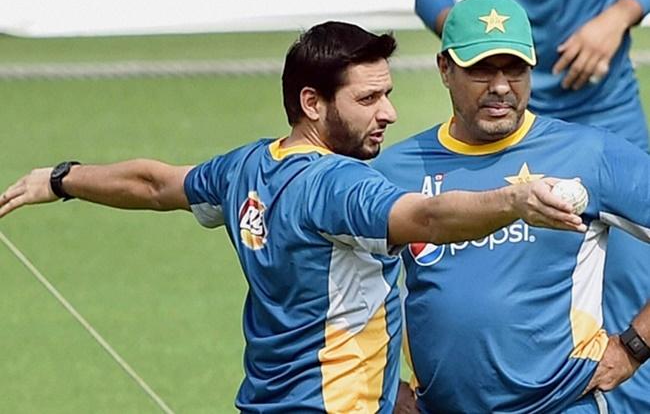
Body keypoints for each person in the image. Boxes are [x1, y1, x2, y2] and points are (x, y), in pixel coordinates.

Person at [0, 21, 585, 413]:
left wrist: (60, 179)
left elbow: (155, 184)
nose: (389, 113)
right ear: (313, 103)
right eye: (368, 99)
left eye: (386, 94)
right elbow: (428, 216)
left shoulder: (246, 168)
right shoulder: (339, 185)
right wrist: (514, 201)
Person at [373, 0, 650, 412]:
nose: (501, 86)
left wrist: (633, 347)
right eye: (482, 69)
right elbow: (343, 289)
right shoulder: (396, 171)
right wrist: (385, 388)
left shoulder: (593, 155)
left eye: (515, 68)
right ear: (445, 69)